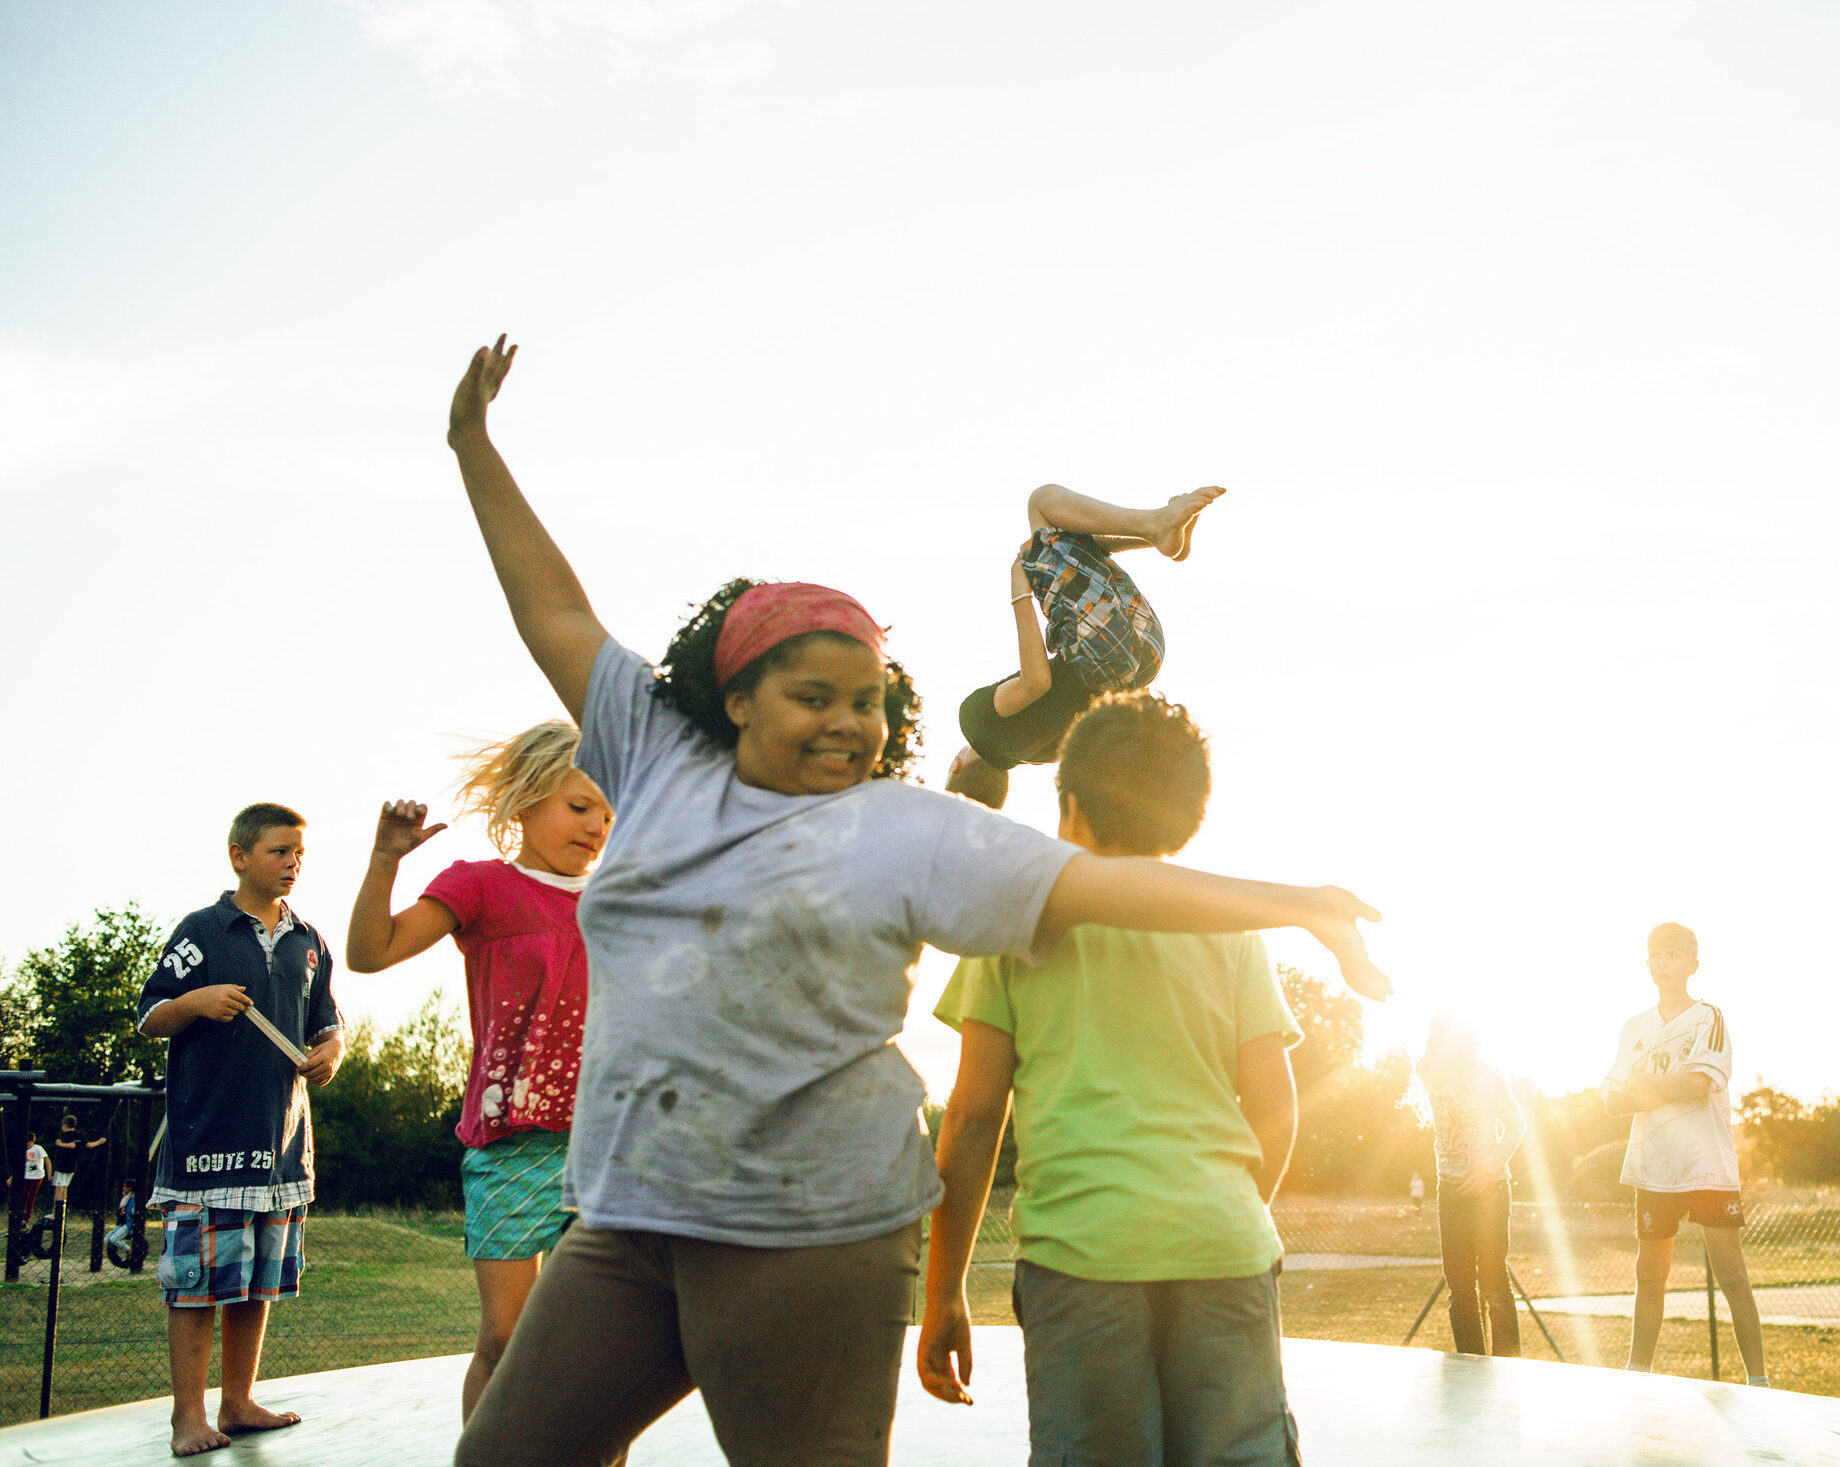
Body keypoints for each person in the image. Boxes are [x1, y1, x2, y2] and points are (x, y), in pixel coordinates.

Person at [441, 337, 1386, 1467]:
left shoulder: (904, 830)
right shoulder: (652, 754)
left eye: (871, 702)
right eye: (813, 697)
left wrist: (1303, 902)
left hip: (805, 1232)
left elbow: (1107, 884)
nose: (851, 723)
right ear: (735, 695)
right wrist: (472, 447)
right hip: (632, 1220)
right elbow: (552, 613)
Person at [919, 693, 1304, 1462]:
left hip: (1080, 1257)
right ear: (1188, 812)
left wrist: (943, 1291)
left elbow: (970, 1119)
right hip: (1224, 1244)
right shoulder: (1228, 926)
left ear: (1070, 806)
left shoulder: (1008, 922)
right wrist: (1213, 1207)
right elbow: (1276, 1106)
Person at [345, 721, 612, 1422]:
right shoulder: (481, 886)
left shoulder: (619, 897)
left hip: (609, 1145)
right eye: (579, 806)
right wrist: (384, 860)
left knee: (600, 1346)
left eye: (609, 813)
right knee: (505, 1335)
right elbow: (370, 954)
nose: (596, 826)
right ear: (525, 799)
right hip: (511, 1144)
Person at [136, 802, 345, 1457]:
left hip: (280, 1149)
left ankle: (239, 1399)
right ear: (239, 855)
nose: (292, 863)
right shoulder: (203, 930)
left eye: (298, 853)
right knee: (196, 1289)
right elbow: (151, 1015)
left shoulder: (309, 937)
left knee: (255, 1284)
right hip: (208, 1147)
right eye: (279, 851)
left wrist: (332, 1052)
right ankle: (187, 1416)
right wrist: (196, 1001)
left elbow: (328, 1022)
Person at [942, 482, 1223, 809]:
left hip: (1144, 660)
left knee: (1061, 537)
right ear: (956, 765)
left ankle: (1159, 531)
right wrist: (1020, 592)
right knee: (1042, 507)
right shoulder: (974, 721)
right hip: (1096, 650)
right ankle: (1156, 527)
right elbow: (1036, 682)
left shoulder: (1040, 756)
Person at [1600, 923, 1768, 1386]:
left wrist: (1643, 1084)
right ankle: (1638, 1374)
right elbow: (1612, 1100)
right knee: (1649, 1276)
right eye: (1656, 955)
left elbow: (1697, 1086)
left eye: (1674, 955)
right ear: (1647, 963)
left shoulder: (1707, 1018)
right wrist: (1660, 1090)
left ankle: (1759, 1382)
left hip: (1706, 1164)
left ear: (1693, 964)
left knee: (1731, 1276)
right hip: (1654, 1167)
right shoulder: (1633, 1028)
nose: (1664, 963)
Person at [1418, 1012, 1525, 1356]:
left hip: (1489, 1190)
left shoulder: (1487, 1075)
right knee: (1460, 1289)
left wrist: (1489, 1166)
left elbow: (1516, 1124)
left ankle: (1509, 1366)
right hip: (1449, 1189)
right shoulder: (1428, 1070)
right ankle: (1470, 1366)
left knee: (1493, 1281)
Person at [48, 1112, 108, 1207]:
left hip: (62, 1165)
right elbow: (89, 1145)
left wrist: (60, 1144)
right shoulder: (79, 1135)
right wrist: (99, 1142)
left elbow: (72, 1145)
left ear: (65, 1125)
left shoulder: (66, 1135)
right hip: (72, 1166)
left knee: (59, 1189)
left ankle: (56, 1211)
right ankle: (62, 1211)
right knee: (64, 1188)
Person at [18, 1133, 47, 1223]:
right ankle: (19, 1217)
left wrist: (49, 1175)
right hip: (26, 1176)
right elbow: (19, 1166)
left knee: (31, 1196)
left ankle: (26, 1218)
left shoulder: (38, 1148)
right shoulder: (23, 1150)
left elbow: (47, 1160)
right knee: (22, 1196)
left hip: (37, 1176)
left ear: (30, 1141)